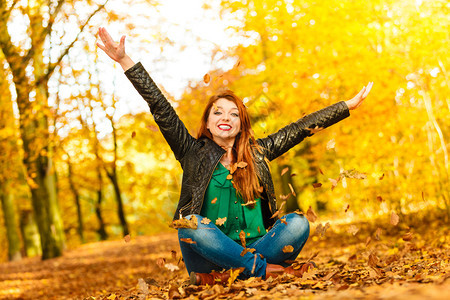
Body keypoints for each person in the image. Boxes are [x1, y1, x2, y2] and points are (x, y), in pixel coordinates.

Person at [97, 27, 373, 285]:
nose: (225, 117)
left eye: (233, 114)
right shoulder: (192, 152)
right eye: (217, 112)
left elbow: (300, 128)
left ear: (242, 124)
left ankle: (235, 274)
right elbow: (160, 107)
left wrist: (345, 106)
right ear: (207, 122)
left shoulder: (258, 152)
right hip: (207, 256)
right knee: (190, 222)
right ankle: (262, 271)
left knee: (298, 223)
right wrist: (125, 61)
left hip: (257, 246)